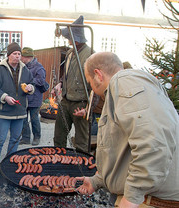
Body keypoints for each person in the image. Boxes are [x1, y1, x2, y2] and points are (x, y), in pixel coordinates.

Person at [77, 52, 179, 208]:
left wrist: (132, 197)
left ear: (98, 75)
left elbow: (155, 143)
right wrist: (97, 180)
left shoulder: (123, 82)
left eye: (89, 81)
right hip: (145, 198)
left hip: (151, 201)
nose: (90, 86)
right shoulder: (123, 88)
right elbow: (121, 147)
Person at [0, 42, 35, 175]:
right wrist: (5, 97)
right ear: (8, 55)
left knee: (15, 140)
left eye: (19, 54)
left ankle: (10, 163)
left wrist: (31, 88)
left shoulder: (25, 70)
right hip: (4, 111)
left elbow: (32, 83)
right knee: (0, 139)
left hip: (19, 112)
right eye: (15, 54)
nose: (17, 56)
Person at [51, 15, 92, 153]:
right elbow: (67, 74)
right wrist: (60, 84)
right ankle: (59, 160)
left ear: (76, 39)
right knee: (59, 136)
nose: (68, 41)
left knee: (81, 141)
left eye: (69, 38)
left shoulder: (91, 55)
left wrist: (89, 108)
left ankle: (82, 169)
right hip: (66, 101)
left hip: (81, 103)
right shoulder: (69, 53)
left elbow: (97, 86)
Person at [19, 47, 46, 145]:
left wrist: (29, 82)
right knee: (24, 119)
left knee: (34, 120)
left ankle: (37, 137)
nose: (21, 58)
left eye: (22, 56)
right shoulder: (22, 66)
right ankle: (25, 138)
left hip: (35, 98)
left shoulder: (39, 67)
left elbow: (41, 81)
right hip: (24, 97)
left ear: (28, 57)